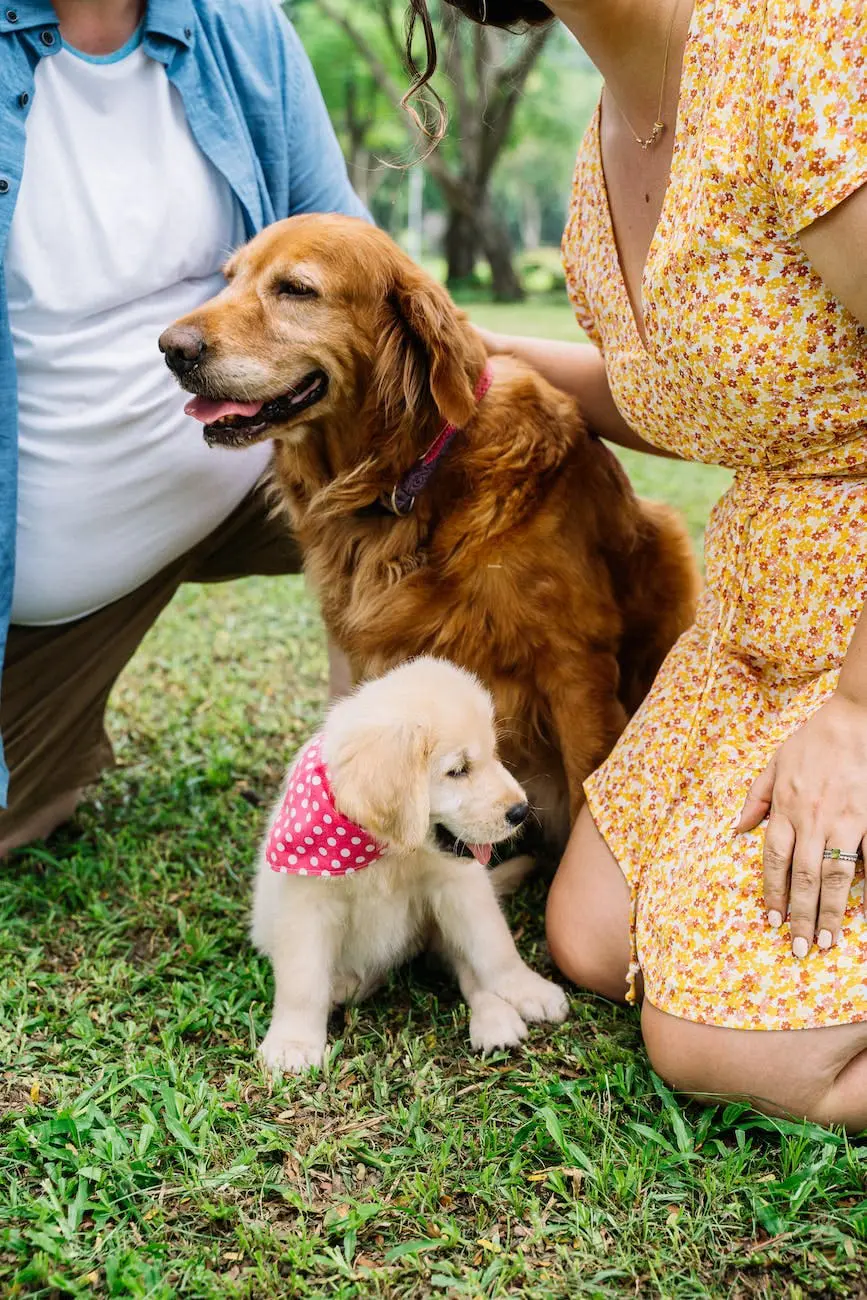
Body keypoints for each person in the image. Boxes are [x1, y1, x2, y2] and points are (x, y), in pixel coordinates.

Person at [407, 0, 867, 1130]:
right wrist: (494, 353)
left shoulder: (795, 40)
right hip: (760, 624)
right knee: (593, 938)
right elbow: (726, 398)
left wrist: (856, 712)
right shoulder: (604, 137)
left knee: (724, 1041)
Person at [0, 0, 366, 857]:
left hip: (271, 466)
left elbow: (357, 250)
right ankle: (59, 730)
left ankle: (372, 784)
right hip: (54, 555)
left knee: (477, 457)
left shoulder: (244, 32)